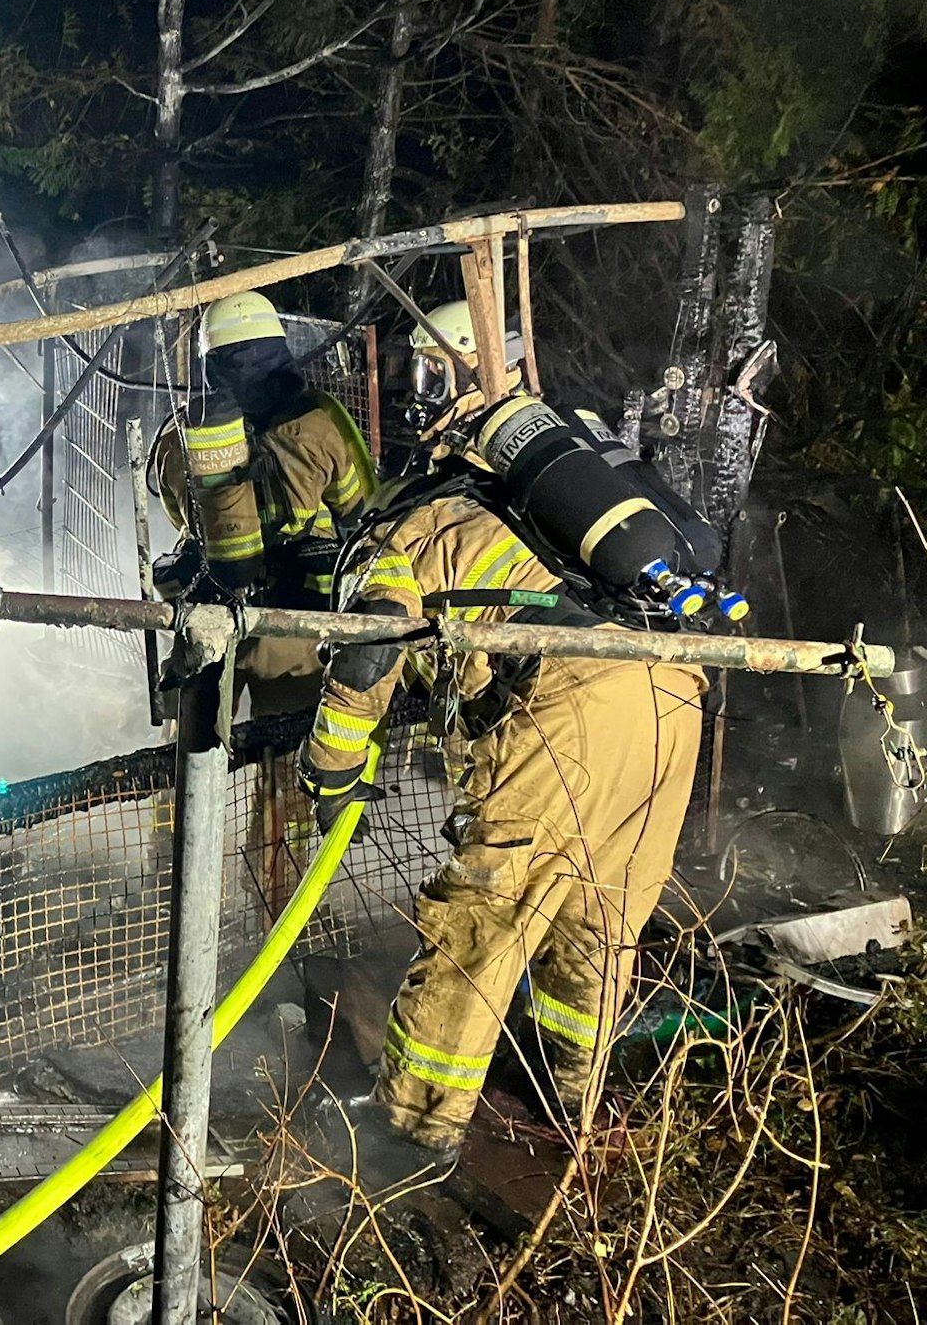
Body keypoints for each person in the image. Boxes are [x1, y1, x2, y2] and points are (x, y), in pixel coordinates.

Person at [296, 299, 709, 1160]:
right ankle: (574, 1111)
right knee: (602, 918)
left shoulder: (408, 512)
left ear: (440, 377)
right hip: (676, 691)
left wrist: (330, 771)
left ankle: (411, 1133)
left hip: (570, 711)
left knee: (483, 922)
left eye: (418, 374)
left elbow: (371, 650)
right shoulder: (585, 471)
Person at [150, 290, 375, 715]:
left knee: (192, 758)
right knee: (286, 749)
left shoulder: (184, 439)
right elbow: (356, 509)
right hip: (295, 625)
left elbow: (177, 513)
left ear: (210, 362)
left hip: (211, 614)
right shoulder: (319, 428)